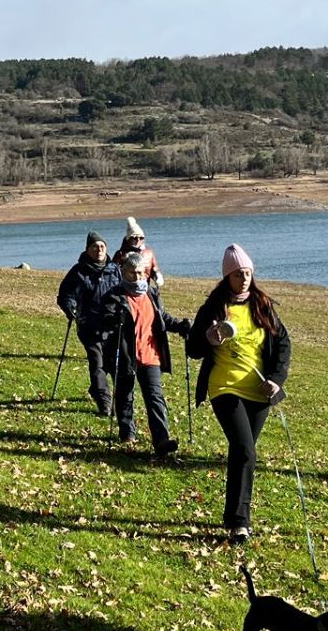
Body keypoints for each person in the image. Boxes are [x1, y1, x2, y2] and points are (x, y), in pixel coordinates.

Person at [184, 244, 293, 543]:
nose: (243, 279)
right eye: (237, 274)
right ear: (226, 277)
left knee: (242, 454)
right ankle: (239, 522)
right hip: (225, 386)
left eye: (247, 273)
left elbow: (283, 345)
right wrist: (208, 338)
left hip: (259, 389)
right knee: (245, 449)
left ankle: (234, 514)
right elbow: (193, 349)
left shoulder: (262, 304)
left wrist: (277, 379)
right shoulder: (214, 307)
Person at [108, 254, 188, 455]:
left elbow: (163, 318)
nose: (137, 277)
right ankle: (127, 432)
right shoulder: (114, 296)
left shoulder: (151, 294)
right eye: (132, 273)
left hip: (151, 354)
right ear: (123, 272)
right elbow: (103, 321)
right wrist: (112, 320)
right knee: (125, 395)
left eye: (141, 273)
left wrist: (181, 326)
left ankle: (161, 440)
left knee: (155, 396)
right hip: (126, 354)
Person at [56, 232, 121, 415]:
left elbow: (125, 292)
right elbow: (65, 295)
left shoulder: (114, 269)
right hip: (89, 326)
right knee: (97, 364)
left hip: (113, 326)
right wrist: (70, 309)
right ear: (87, 250)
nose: (99, 249)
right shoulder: (78, 271)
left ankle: (112, 397)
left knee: (114, 366)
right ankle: (105, 403)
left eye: (102, 246)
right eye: (94, 246)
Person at [115, 216, 163, 289]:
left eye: (141, 238)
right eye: (134, 238)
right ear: (128, 239)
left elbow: (154, 268)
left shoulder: (149, 253)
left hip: (144, 288)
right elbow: (113, 272)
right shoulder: (120, 254)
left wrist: (157, 275)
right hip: (125, 290)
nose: (138, 240)